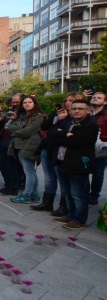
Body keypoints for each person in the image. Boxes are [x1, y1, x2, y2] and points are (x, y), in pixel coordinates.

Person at [50, 99, 97, 230]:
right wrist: (64, 134)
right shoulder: (67, 121)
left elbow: (74, 141)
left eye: (80, 109)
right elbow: (52, 134)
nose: (76, 111)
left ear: (88, 110)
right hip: (62, 161)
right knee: (67, 192)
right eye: (74, 108)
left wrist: (60, 136)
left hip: (78, 163)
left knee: (78, 193)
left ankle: (79, 219)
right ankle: (71, 215)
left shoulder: (90, 125)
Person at [31, 93, 83, 212]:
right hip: (48, 149)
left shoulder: (76, 118)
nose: (68, 103)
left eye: (72, 101)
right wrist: (58, 119)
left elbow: (63, 135)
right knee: (49, 178)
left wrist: (59, 131)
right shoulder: (59, 113)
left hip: (61, 151)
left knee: (63, 179)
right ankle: (47, 203)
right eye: (67, 101)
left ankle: (64, 206)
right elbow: (45, 126)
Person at [6, 96, 46, 204]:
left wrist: (16, 131)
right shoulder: (21, 116)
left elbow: (28, 131)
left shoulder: (38, 116)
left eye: (29, 102)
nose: (27, 104)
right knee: (30, 171)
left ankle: (27, 195)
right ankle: (34, 195)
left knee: (29, 172)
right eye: (25, 102)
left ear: (34, 103)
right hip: (19, 145)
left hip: (30, 145)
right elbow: (10, 127)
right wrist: (19, 129)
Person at [0, 93, 24, 196]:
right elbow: (3, 126)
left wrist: (17, 118)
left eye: (17, 102)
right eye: (14, 102)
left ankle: (14, 187)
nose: (15, 104)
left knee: (12, 165)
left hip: (13, 142)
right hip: (3, 140)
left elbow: (23, 128)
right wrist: (0, 120)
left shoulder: (25, 114)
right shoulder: (11, 112)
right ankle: (7, 185)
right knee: (2, 164)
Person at [89, 91, 107, 205]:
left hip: (100, 148)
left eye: (99, 98)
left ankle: (94, 194)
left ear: (104, 102)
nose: (95, 98)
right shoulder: (85, 112)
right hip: (83, 147)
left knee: (98, 173)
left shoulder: (105, 116)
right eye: (94, 97)